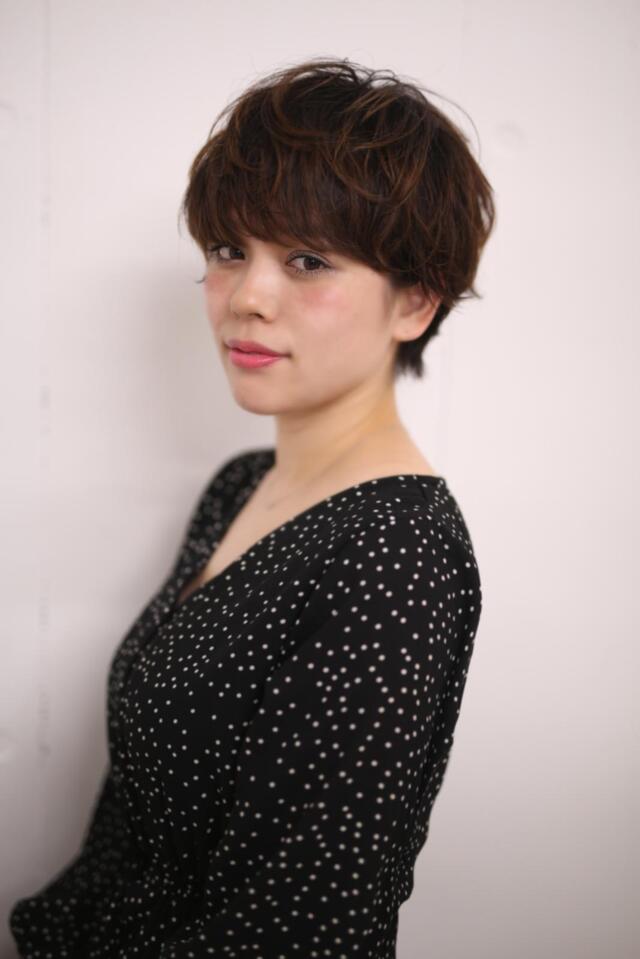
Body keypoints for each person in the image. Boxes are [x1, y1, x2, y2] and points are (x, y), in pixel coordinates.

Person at [9, 57, 496, 958]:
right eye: (230, 250)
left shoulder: (397, 552)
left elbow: (298, 929)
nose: (247, 298)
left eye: (307, 261)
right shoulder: (240, 484)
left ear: (415, 302)